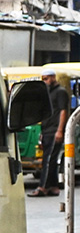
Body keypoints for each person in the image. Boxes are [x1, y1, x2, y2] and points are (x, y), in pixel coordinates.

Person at [33, 68, 71, 197]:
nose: (45, 81)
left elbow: (63, 111)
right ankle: (53, 186)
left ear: (53, 78)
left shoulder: (60, 92)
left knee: (48, 159)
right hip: (47, 130)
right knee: (51, 159)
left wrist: (60, 130)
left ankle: (43, 187)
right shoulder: (48, 92)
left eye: (46, 78)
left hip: (55, 130)